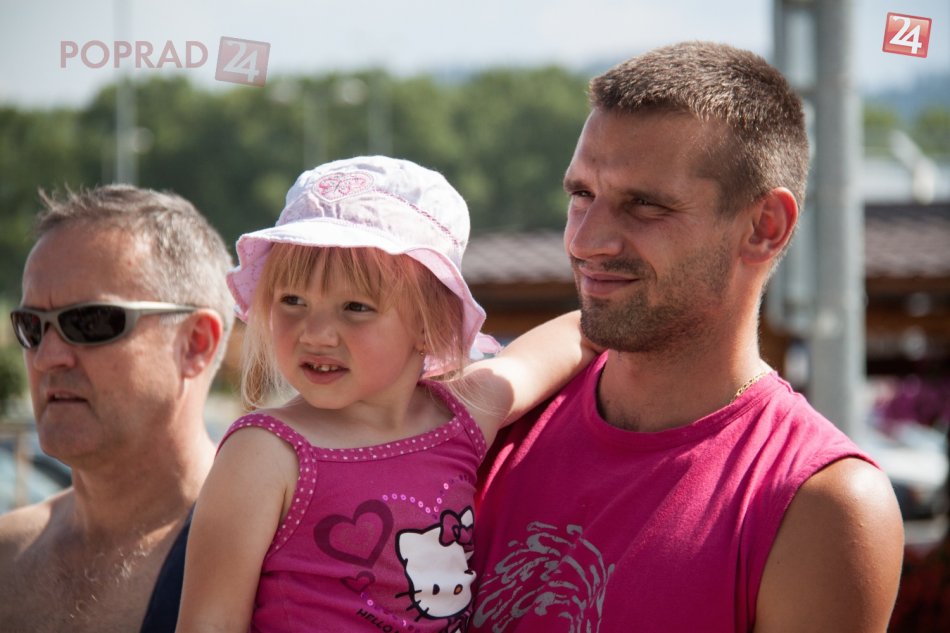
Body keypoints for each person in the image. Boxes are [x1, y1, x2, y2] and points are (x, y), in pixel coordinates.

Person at [471, 41, 904, 632]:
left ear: (764, 227)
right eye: (582, 195)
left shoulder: (819, 502)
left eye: (645, 205)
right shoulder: (495, 420)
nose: (587, 240)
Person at [174, 156, 598, 633]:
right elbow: (208, 623)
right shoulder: (265, 452)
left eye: (356, 307)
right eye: (292, 300)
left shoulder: (460, 416)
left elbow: (573, 337)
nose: (315, 333)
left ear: (429, 325)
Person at [0, 185, 234, 633]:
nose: (47, 357)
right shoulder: (9, 558)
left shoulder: (278, 566)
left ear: (194, 344)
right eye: (31, 327)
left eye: (88, 322)